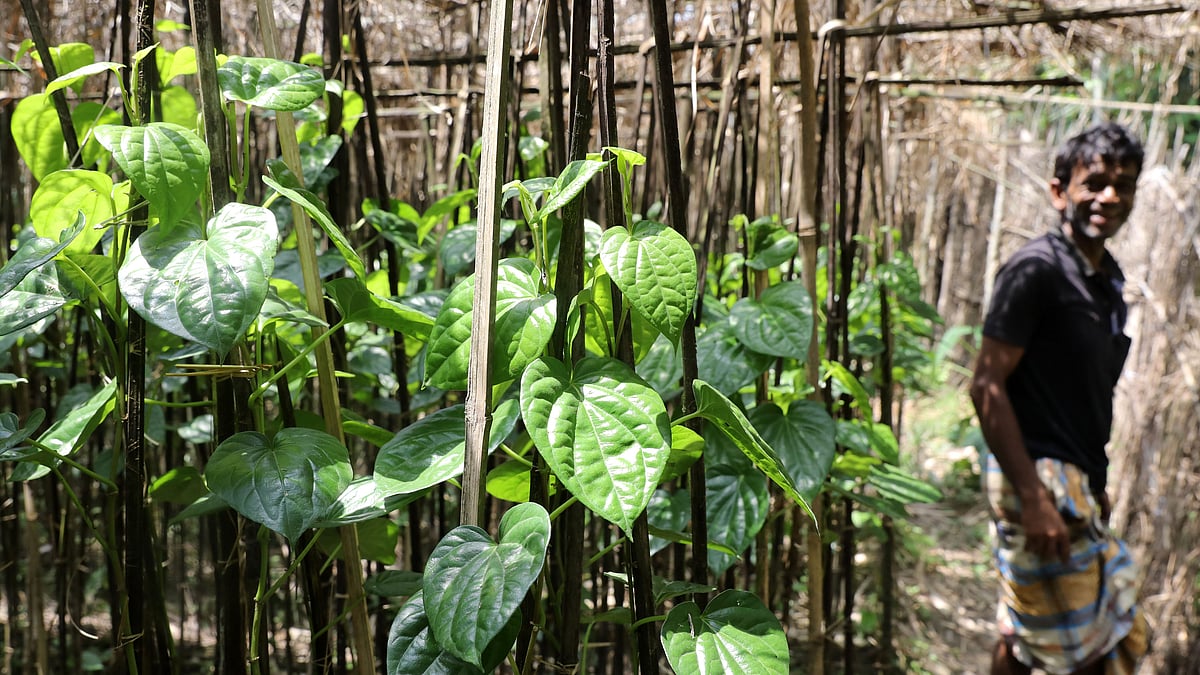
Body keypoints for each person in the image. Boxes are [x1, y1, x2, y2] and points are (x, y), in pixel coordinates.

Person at [970, 122, 1151, 675]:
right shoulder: (1036, 271)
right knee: (1088, 650)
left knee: (1035, 634)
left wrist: (1094, 483)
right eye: (1094, 182)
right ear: (1059, 191)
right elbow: (986, 385)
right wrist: (1034, 497)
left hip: (1074, 479)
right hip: (1037, 475)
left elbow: (1085, 393)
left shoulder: (1106, 279)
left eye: (1123, 185)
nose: (1109, 197)